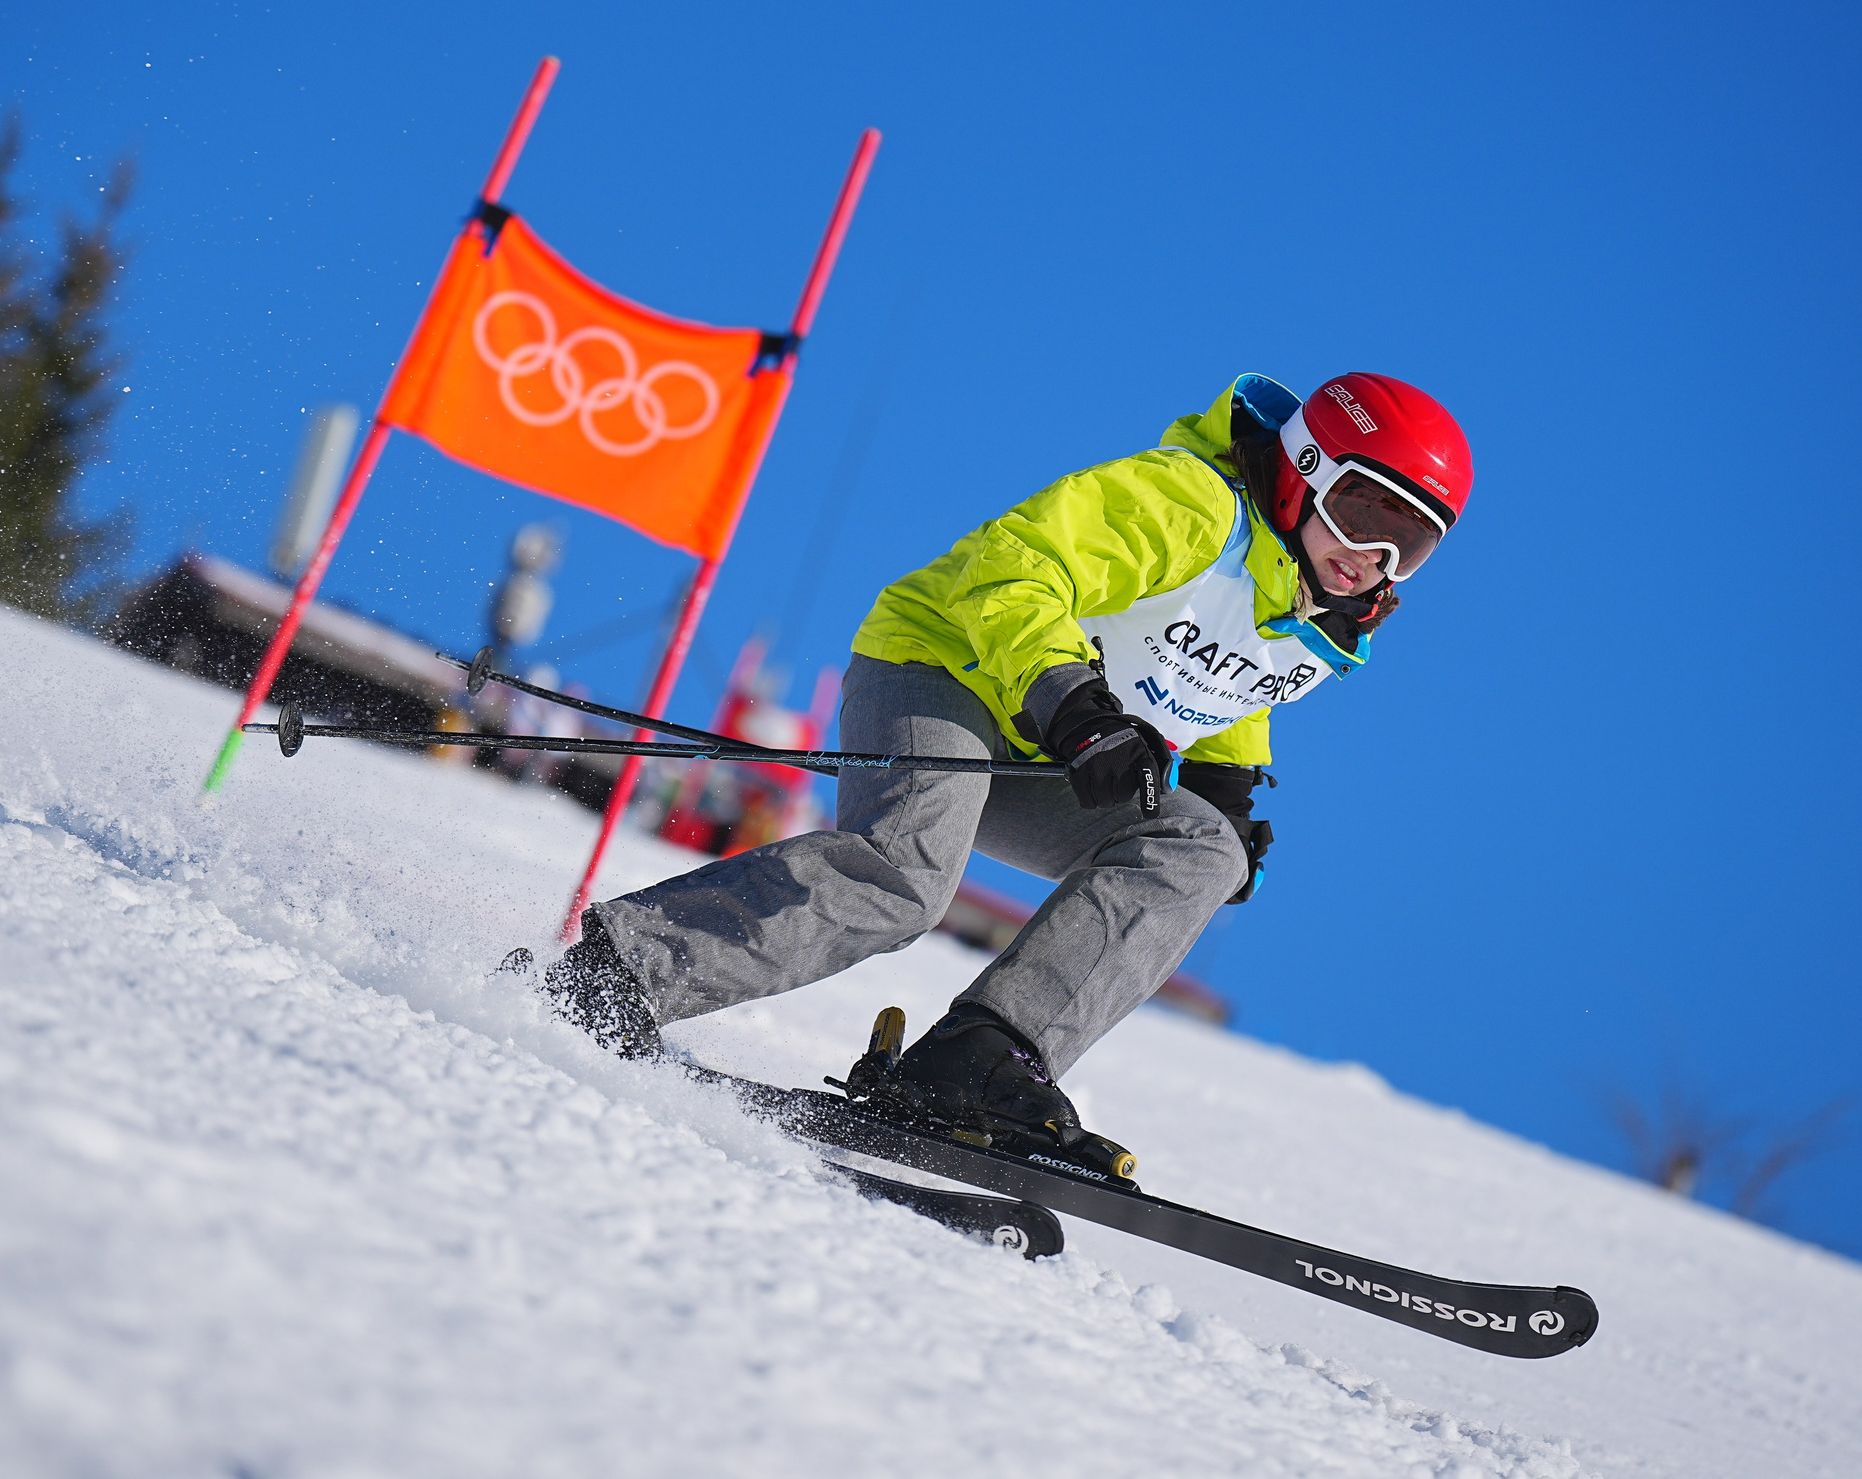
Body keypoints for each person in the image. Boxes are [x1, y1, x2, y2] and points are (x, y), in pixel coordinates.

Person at [542, 370, 1473, 1172]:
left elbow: (1225, 684)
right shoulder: (1191, 505)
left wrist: (1230, 795)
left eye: (1412, 544)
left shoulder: (1314, 615)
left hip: (1053, 755)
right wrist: (1074, 703)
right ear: (1307, 469)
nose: (1373, 558)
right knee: (906, 877)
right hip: (946, 670)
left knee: (1203, 849)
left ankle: (981, 1063)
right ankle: (618, 977)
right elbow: (1014, 565)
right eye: (1363, 511)